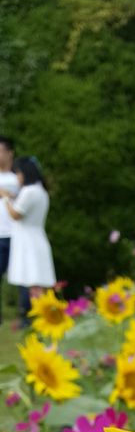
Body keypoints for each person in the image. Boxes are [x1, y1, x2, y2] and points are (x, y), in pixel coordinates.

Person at [0, 155, 56, 326]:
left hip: (28, 242)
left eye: (18, 173)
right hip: (34, 238)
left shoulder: (29, 191)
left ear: (26, 173)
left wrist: (6, 197)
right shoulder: (39, 191)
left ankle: (31, 317)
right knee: (34, 280)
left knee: (30, 280)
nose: (17, 177)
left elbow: (15, 214)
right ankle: (37, 316)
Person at [0, 136, 19, 325]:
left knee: (22, 275)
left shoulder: (17, 178)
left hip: (16, 234)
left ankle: (25, 313)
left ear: (9, 153)